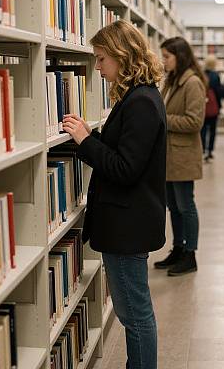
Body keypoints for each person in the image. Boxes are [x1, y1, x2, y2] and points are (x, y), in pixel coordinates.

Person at [62, 19, 166, 369]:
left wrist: (87, 142)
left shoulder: (141, 102)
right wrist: (91, 137)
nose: (97, 67)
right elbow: (125, 151)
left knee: (134, 315)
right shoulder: (138, 97)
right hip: (128, 220)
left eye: (102, 58)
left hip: (127, 224)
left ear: (123, 56)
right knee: (133, 311)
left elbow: (125, 169)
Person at [154, 37, 206, 276]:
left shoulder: (192, 83)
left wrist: (163, 120)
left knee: (186, 206)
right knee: (174, 207)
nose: (163, 61)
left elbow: (195, 122)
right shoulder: (172, 82)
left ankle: (191, 254)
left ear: (180, 56)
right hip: (169, 155)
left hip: (183, 156)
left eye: (167, 56)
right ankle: (177, 248)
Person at [201, 55, 223, 161]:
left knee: (203, 128)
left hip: (202, 106)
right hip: (213, 107)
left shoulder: (201, 74)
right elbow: (218, 92)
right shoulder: (215, 75)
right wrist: (219, 105)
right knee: (213, 130)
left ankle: (203, 149)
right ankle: (210, 150)